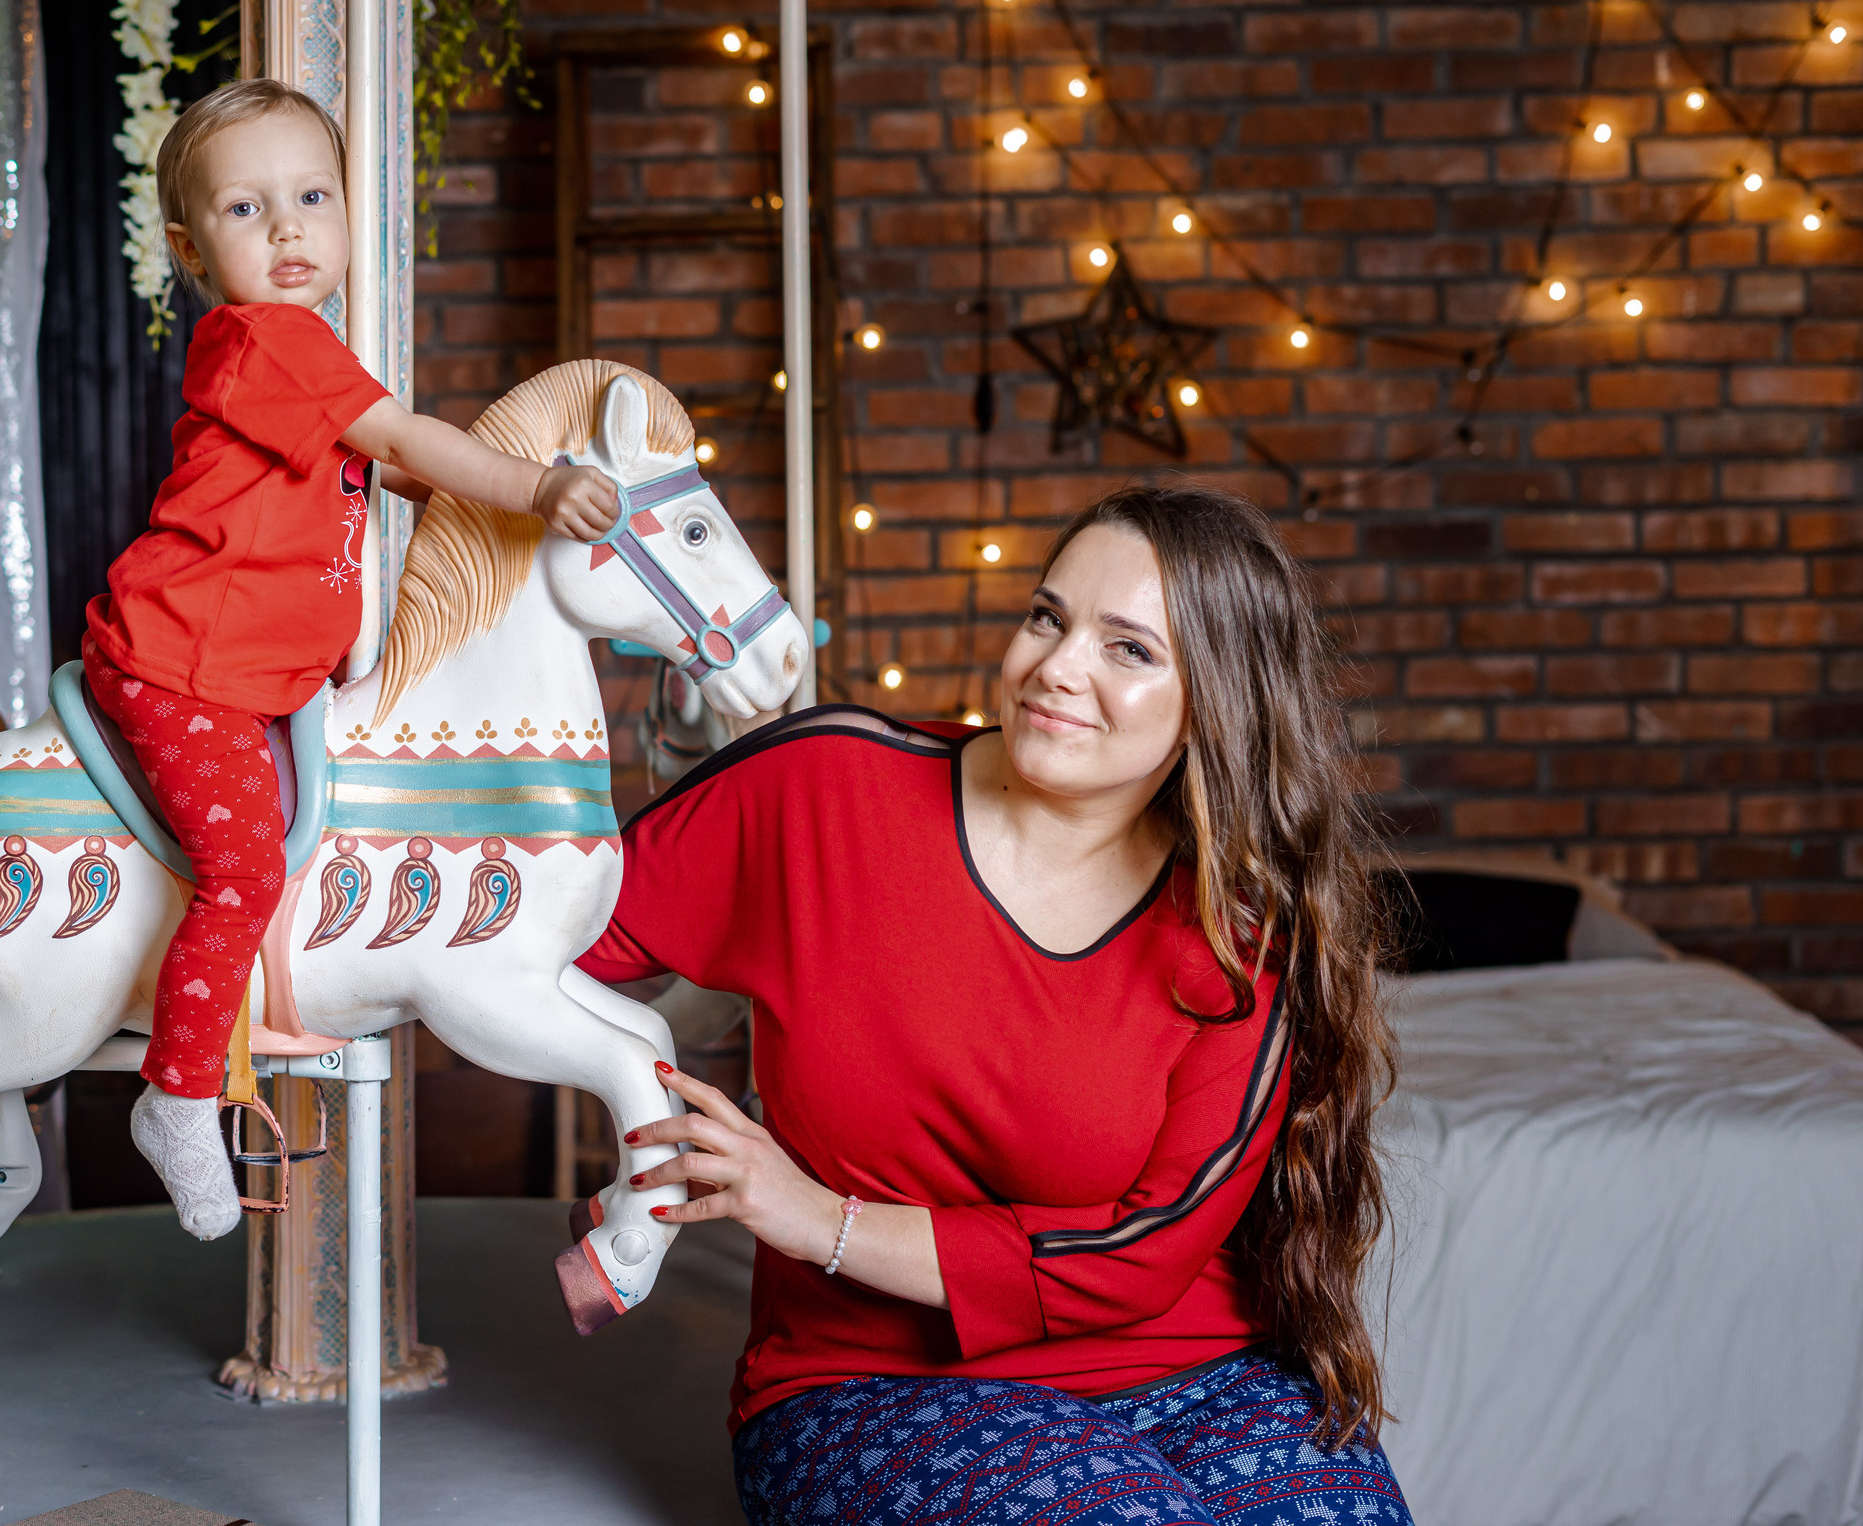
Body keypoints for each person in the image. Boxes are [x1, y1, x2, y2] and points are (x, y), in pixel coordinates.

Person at [578, 484, 1413, 1525]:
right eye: (1046, 617)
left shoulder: (1243, 926)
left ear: (1217, 704)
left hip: (1197, 1374)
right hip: (870, 1385)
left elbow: (1144, 1252)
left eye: (1129, 649)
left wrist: (819, 1219)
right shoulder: (821, 790)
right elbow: (536, 946)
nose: (1058, 668)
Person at [86, 79, 619, 1239]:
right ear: (187, 245)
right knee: (242, 870)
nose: (286, 229)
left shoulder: (301, 350)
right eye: (245, 208)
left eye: (310, 196)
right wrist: (535, 487)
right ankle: (177, 1097)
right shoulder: (270, 341)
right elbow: (405, 439)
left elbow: (393, 468)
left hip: (256, 674)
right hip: (184, 666)